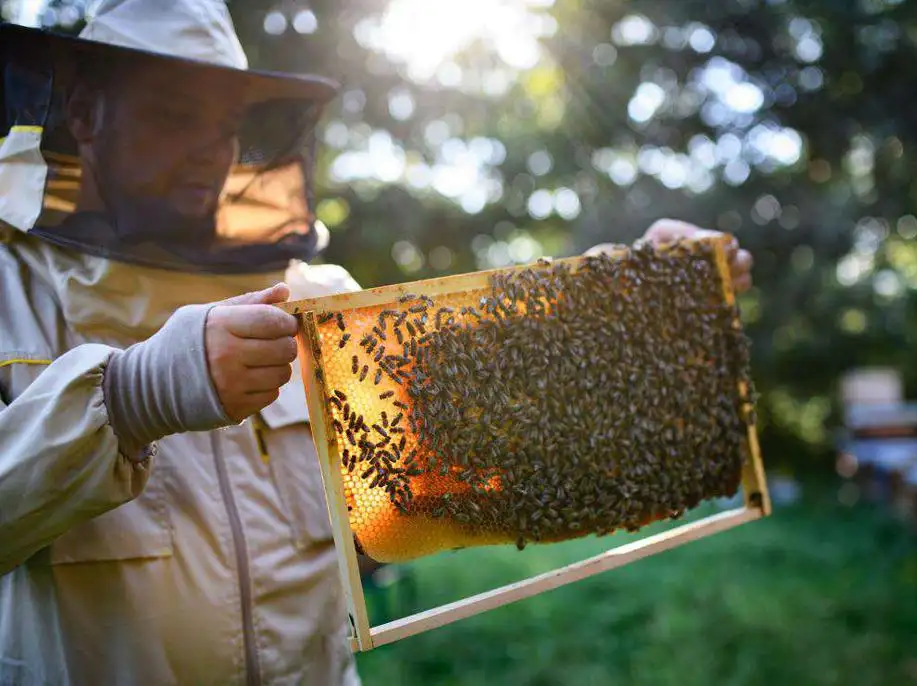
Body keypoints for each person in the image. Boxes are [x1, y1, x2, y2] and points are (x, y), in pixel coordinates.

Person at [0, 1, 753, 684]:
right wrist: (128, 399)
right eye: (173, 115)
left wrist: (634, 301)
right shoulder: (10, 292)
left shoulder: (321, 300)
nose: (209, 150)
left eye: (225, 125)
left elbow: (477, 417)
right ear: (87, 113)